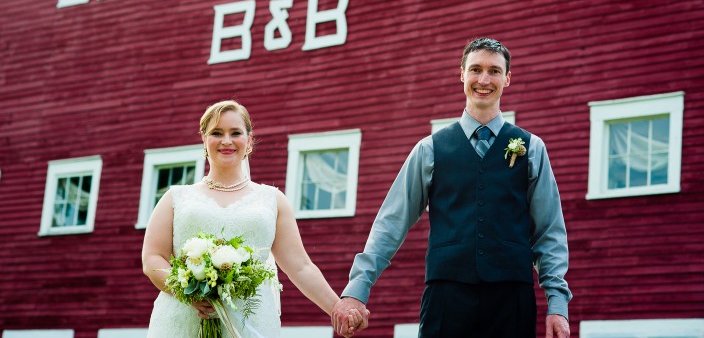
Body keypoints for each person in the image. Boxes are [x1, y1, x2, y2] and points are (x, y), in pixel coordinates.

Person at [331, 38, 572, 337]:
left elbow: (549, 232)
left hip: (512, 299)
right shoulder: (429, 149)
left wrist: (557, 303)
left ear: (507, 78)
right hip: (446, 299)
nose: (484, 80)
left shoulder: (532, 148)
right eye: (476, 69)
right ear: (462, 74)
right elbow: (390, 223)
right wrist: (358, 288)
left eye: (494, 71)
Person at [142, 100, 366, 338]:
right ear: (204, 140)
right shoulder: (176, 197)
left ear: (249, 141)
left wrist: (338, 308)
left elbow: (300, 267)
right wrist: (188, 292)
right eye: (216, 133)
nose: (226, 140)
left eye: (235, 133)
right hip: (182, 320)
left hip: (250, 322)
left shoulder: (272, 200)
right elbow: (152, 258)